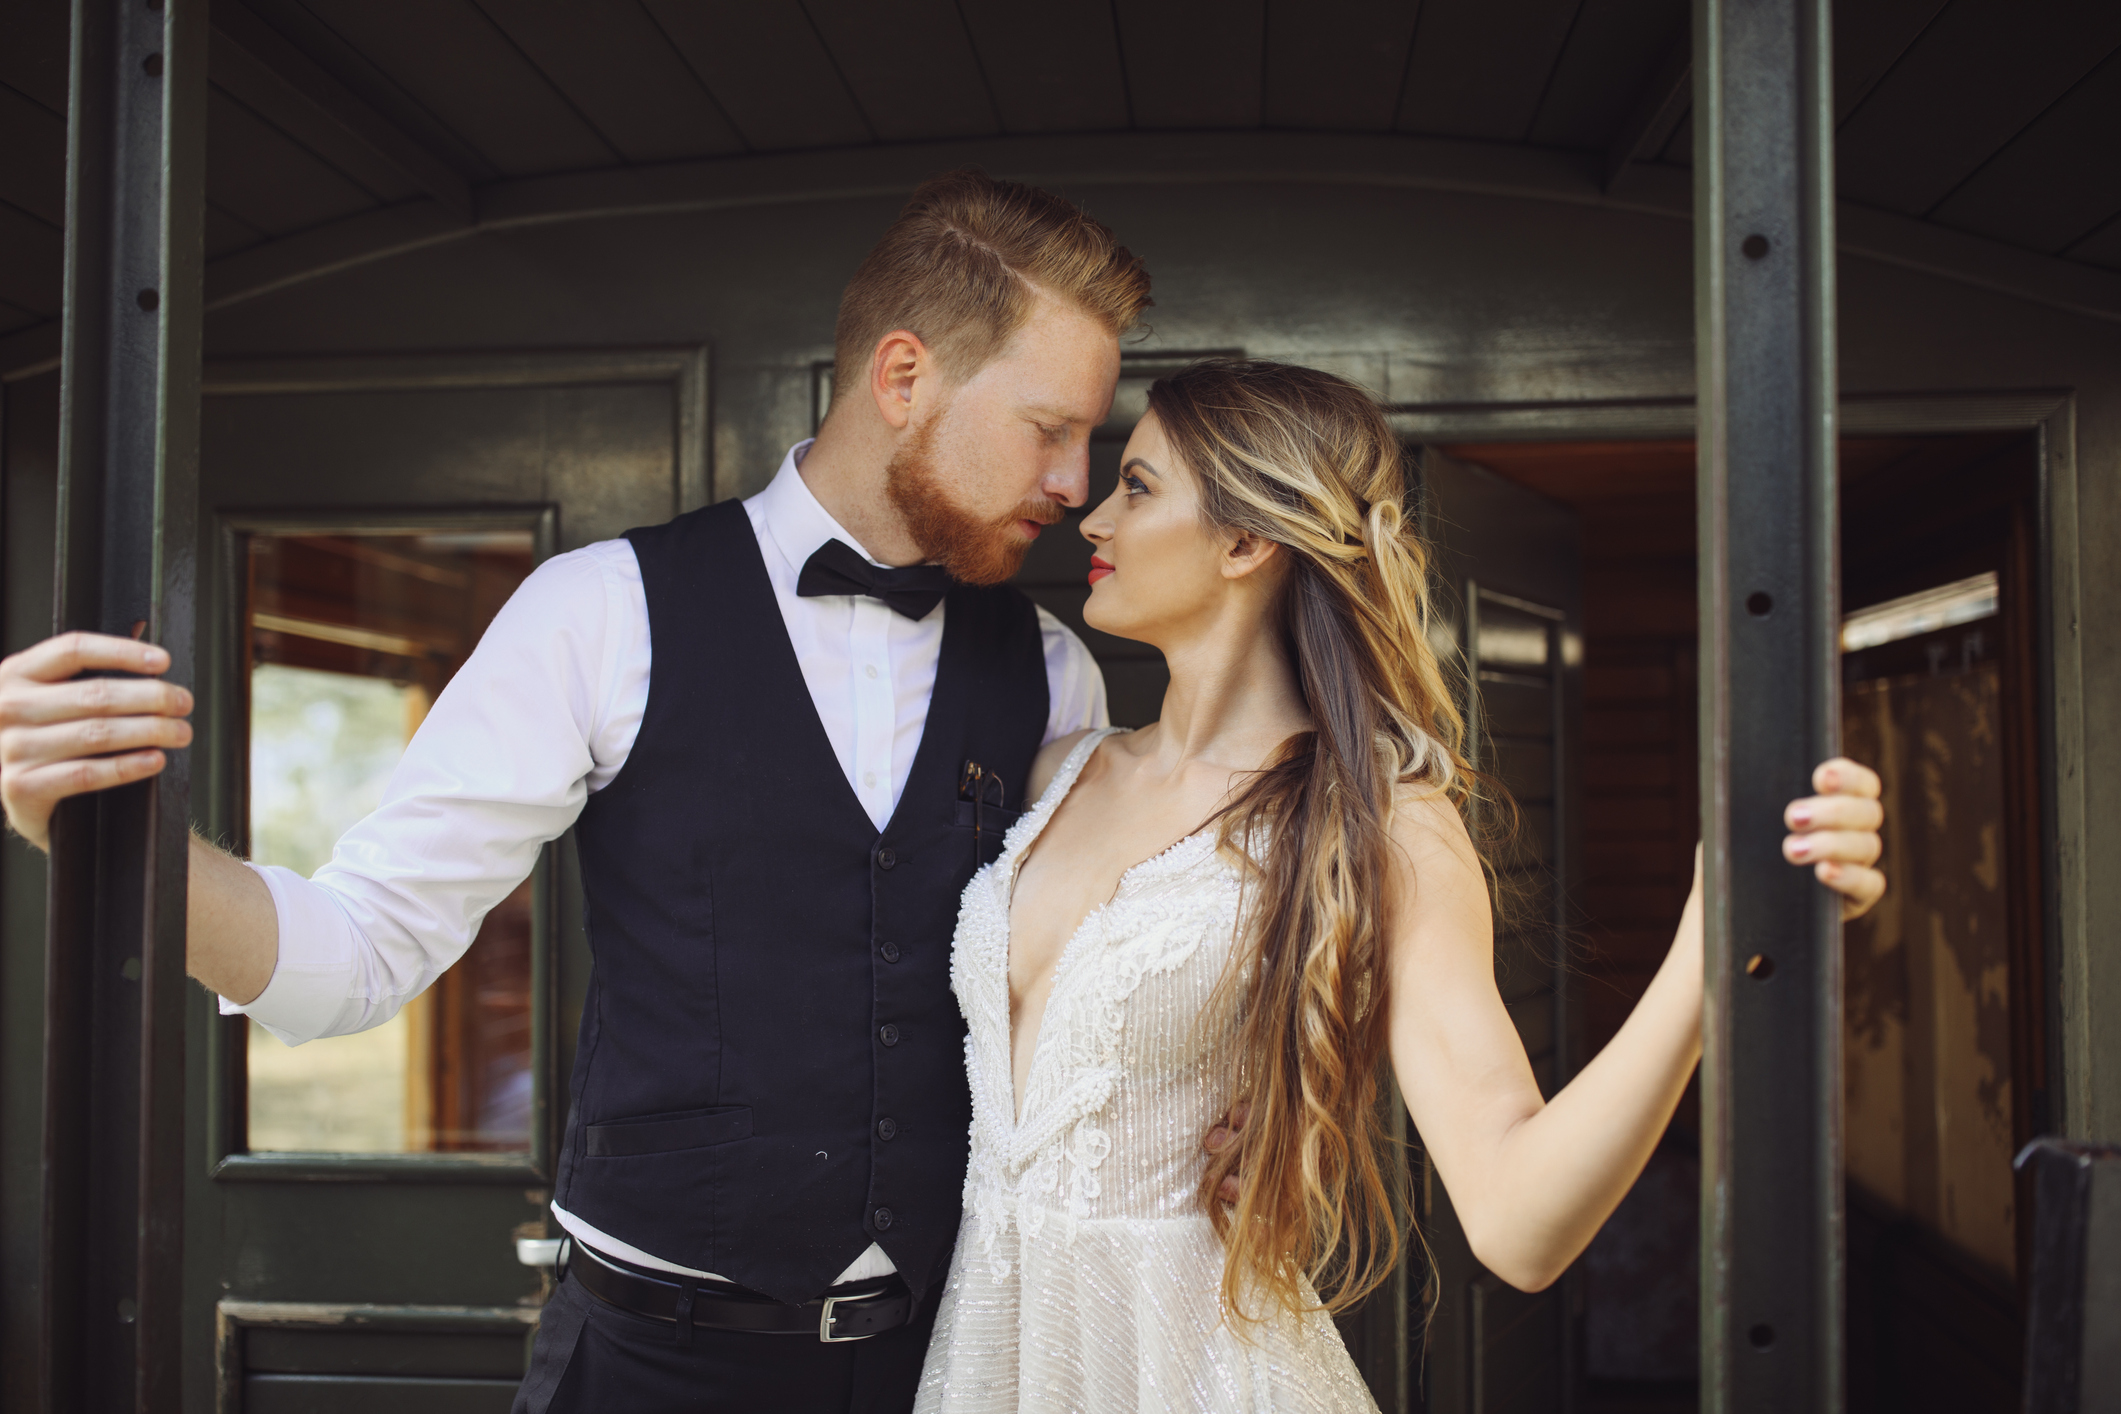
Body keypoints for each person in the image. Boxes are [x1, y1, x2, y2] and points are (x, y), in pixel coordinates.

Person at [0, 171, 1153, 1414]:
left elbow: (1088, 1024)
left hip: (959, 1364)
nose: (1074, 481)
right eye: (1049, 429)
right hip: (650, 1369)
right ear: (903, 376)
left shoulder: (1052, 674)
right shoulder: (598, 611)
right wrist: (108, 840)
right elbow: (350, 956)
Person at [910, 359, 1885, 1412]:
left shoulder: (1375, 826)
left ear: (1246, 541)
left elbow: (1519, 1225)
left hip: (1195, 1373)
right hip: (991, 1360)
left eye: (1138, 487)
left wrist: (1713, 939)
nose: (1091, 519)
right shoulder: (1060, 772)